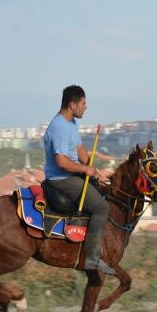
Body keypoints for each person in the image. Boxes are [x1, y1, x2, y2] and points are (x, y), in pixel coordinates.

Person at [43, 85, 114, 275]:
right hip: (61, 179)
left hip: (73, 174)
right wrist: (85, 169)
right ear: (72, 105)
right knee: (101, 207)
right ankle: (92, 258)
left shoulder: (72, 123)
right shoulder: (59, 126)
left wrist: (95, 171)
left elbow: (80, 150)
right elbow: (62, 162)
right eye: (83, 103)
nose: (86, 107)